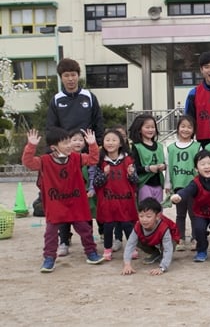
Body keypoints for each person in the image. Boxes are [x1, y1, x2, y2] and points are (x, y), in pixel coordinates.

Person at [22, 124, 102, 272]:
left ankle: (91, 253)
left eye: (69, 141)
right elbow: (29, 163)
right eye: (65, 142)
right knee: (51, 233)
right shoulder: (45, 161)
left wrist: (92, 143)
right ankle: (49, 258)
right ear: (54, 147)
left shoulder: (76, 158)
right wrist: (31, 146)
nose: (69, 145)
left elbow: (93, 159)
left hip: (75, 201)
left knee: (85, 229)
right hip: (55, 203)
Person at [174, 150, 210, 263]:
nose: (207, 166)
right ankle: (201, 250)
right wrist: (179, 196)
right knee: (198, 228)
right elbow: (187, 191)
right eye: (202, 164)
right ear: (196, 168)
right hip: (200, 212)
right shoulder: (195, 182)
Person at [93, 128, 138, 260]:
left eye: (114, 140)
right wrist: (104, 174)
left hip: (124, 200)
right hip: (108, 200)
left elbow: (135, 181)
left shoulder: (128, 160)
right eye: (107, 140)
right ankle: (107, 249)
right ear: (103, 143)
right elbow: (96, 183)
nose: (110, 143)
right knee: (108, 225)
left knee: (127, 224)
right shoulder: (100, 162)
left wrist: (131, 174)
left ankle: (132, 248)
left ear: (120, 143)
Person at [45, 58, 104, 141]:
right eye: (66, 75)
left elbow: (98, 123)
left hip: (88, 147)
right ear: (61, 77)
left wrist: (99, 143)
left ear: (78, 75)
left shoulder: (89, 97)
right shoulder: (56, 100)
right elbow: (51, 127)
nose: (70, 79)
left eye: (73, 75)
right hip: (66, 147)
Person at [167, 113, 201, 245]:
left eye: (189, 127)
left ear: (193, 130)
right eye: (183, 126)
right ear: (177, 128)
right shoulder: (171, 148)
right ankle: (180, 238)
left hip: (193, 186)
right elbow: (169, 167)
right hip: (178, 186)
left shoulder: (197, 146)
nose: (185, 129)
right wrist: (168, 184)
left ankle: (195, 237)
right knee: (180, 214)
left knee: (194, 213)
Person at [122, 197, 179, 275]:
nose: (144, 220)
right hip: (153, 237)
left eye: (148, 216)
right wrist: (127, 264)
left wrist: (162, 267)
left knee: (167, 248)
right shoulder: (138, 225)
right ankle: (155, 253)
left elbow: (168, 249)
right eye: (141, 216)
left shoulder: (164, 227)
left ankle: (162, 256)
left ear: (157, 216)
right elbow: (130, 244)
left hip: (171, 236)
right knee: (138, 240)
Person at [128, 114, 166, 205]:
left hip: (158, 185)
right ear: (139, 129)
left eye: (153, 127)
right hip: (144, 184)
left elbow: (164, 162)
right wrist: (148, 168)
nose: (150, 130)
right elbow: (135, 168)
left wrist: (164, 166)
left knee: (158, 212)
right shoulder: (136, 147)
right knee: (146, 211)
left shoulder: (160, 146)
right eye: (147, 127)